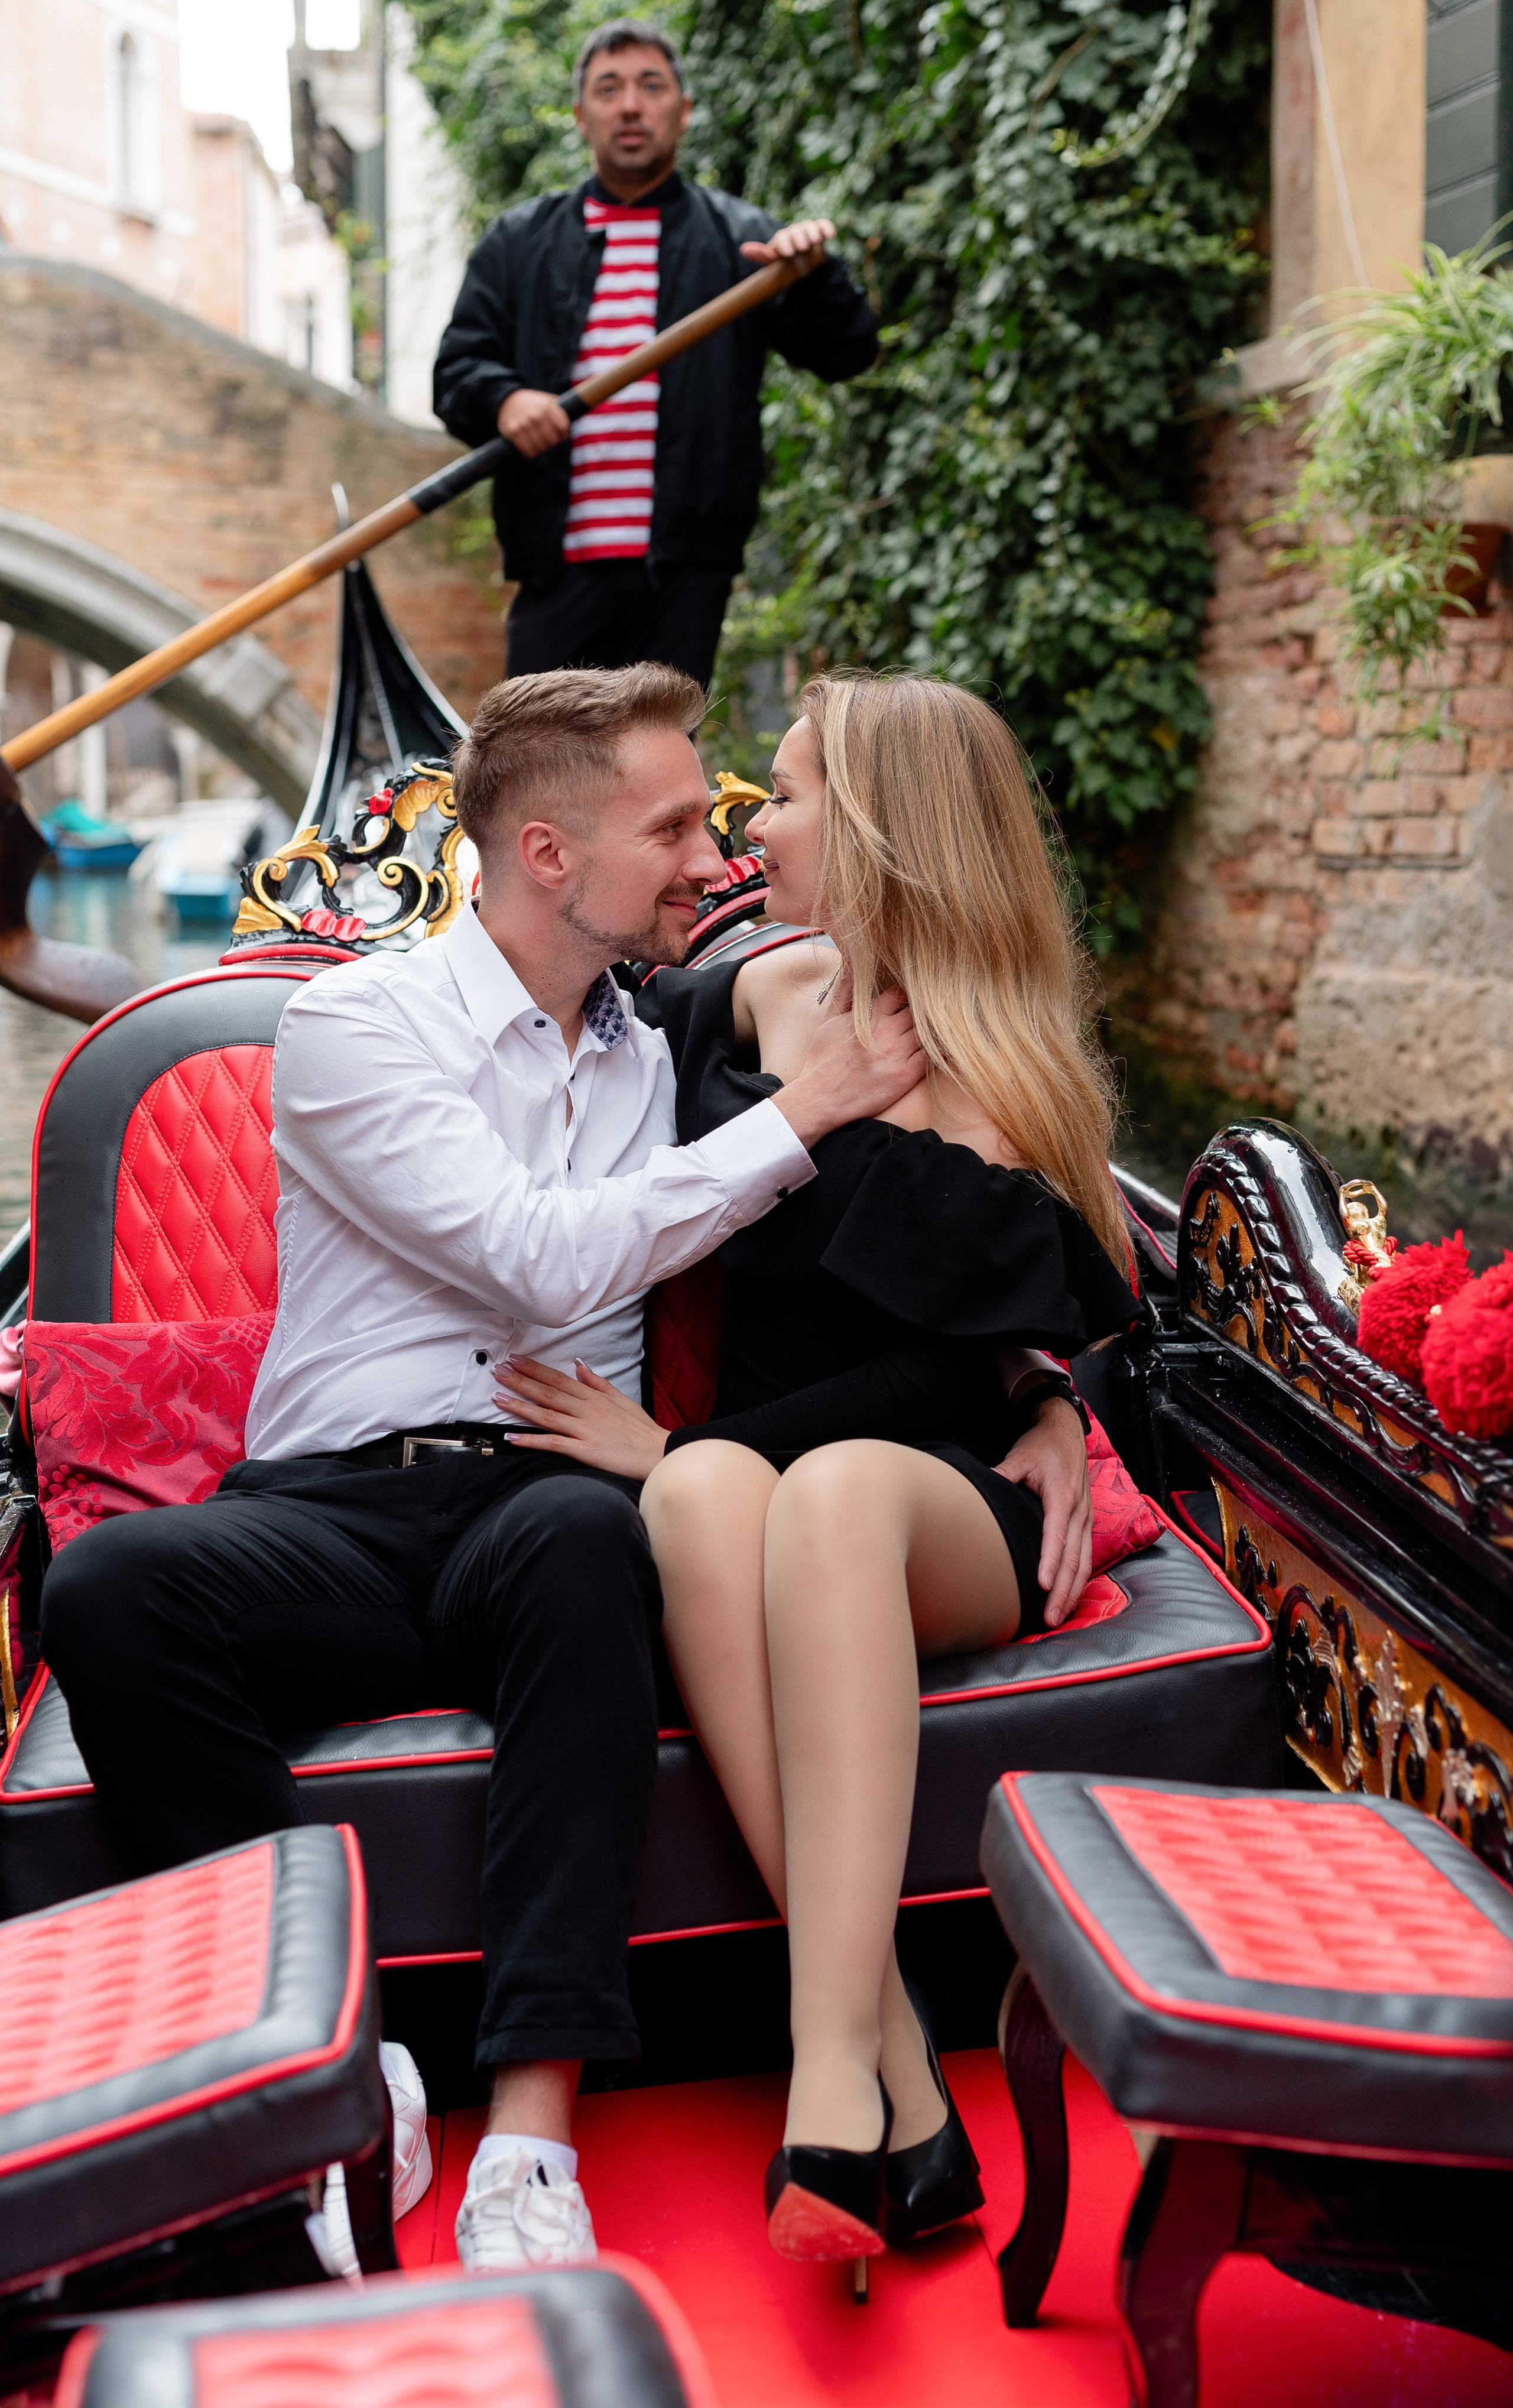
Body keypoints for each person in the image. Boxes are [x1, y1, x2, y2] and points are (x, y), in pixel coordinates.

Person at [38, 664, 928, 2277]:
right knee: (107, 1589)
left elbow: (918, 1198)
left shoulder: (669, 1043)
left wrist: (1041, 1396)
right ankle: (345, 2053)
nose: (706, 857)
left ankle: (531, 2131)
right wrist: (800, 1111)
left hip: (546, 1501)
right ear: (545, 855)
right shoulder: (351, 1025)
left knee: (591, 1544)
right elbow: (531, 1259)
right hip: (337, 1519)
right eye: (669, 827)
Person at [484, 673, 1139, 2270]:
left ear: (885, 830)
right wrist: (685, 1457)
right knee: (711, 1499)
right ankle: (893, 2063)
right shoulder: (746, 1002)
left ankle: (832, 2061)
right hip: (754, 1492)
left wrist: (1045, 1400)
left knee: (822, 1483)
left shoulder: (994, 1072)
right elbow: (567, 1001)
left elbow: (948, 1361)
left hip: (929, 1508)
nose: (743, 830)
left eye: (778, 796)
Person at [432, 18, 878, 688]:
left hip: (685, 570)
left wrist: (815, 276)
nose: (631, 105)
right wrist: (506, 399)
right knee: (535, 769)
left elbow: (845, 352)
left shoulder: (747, 244)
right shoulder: (517, 242)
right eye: (609, 90)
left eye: (651, 86)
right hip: (557, 566)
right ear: (582, 116)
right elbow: (456, 375)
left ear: (684, 110)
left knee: (660, 769)